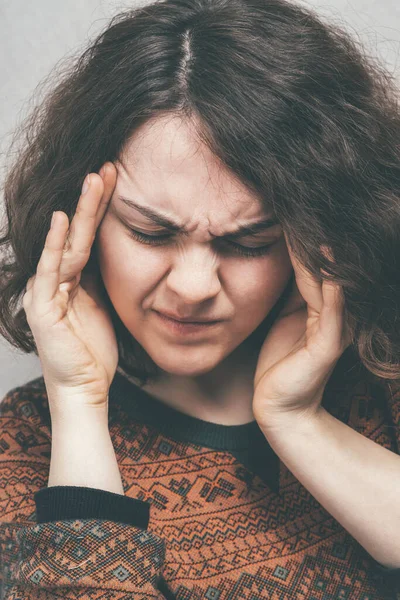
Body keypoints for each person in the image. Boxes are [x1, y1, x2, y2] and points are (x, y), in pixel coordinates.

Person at [0, 0, 399, 597]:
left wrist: (300, 424)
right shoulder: (22, 448)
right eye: (150, 232)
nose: (193, 288)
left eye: (247, 242)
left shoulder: (380, 368)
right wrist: (80, 409)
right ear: (80, 225)